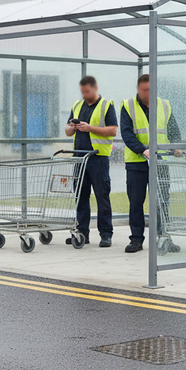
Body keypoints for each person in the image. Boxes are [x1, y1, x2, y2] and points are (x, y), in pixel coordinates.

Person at [120, 74, 182, 253]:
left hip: (160, 160)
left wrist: (176, 145)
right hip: (137, 162)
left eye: (150, 89)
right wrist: (142, 149)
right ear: (138, 89)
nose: (148, 93)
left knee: (162, 200)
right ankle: (136, 240)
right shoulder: (128, 106)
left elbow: (173, 129)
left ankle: (164, 237)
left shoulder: (164, 105)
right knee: (136, 201)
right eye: (144, 90)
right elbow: (126, 133)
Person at [65, 75, 118, 247]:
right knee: (80, 196)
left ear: (95, 88)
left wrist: (90, 128)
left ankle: (106, 234)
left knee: (102, 196)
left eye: (87, 91)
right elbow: (67, 132)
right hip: (79, 158)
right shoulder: (77, 105)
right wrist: (71, 127)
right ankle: (82, 233)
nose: (84, 95)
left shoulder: (106, 105)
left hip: (98, 158)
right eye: (82, 92)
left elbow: (113, 131)